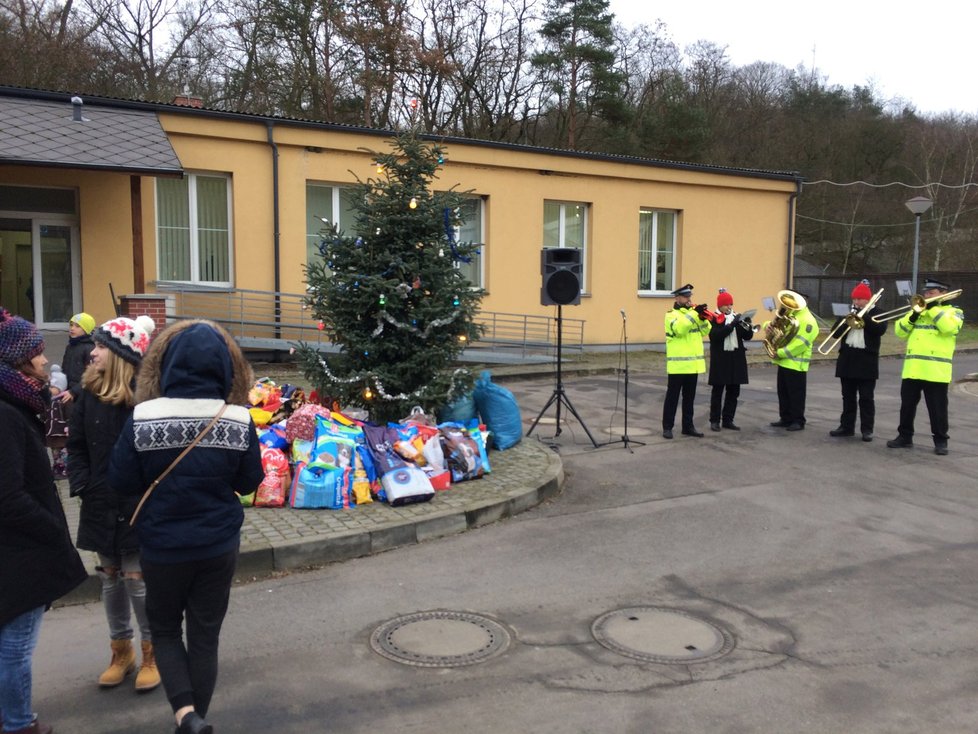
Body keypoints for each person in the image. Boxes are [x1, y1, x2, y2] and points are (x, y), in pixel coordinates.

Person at [108, 320, 263, 734]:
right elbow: (249, 483)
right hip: (217, 545)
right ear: (225, 368)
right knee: (205, 637)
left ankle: (185, 717)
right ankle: (194, 721)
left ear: (168, 365)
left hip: (162, 547)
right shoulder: (237, 418)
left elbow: (121, 481)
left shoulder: (142, 416)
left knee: (163, 628)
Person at [0, 308, 88, 734]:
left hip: (17, 548)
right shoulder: (6, 415)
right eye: (35, 351)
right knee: (15, 646)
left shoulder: (16, 404)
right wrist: (52, 527)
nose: (42, 358)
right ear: (15, 362)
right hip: (20, 553)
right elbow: (9, 497)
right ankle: (18, 724)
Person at [67, 315, 159, 692]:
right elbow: (75, 447)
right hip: (99, 500)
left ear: (121, 354)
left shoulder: (145, 400)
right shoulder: (88, 393)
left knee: (137, 580)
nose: (93, 351)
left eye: (102, 346)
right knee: (110, 579)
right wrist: (83, 484)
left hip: (136, 504)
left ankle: (152, 652)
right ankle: (121, 652)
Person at [886, 278, 964, 455]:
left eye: (931, 293)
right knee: (907, 407)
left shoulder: (954, 311)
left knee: (937, 409)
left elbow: (950, 329)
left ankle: (941, 440)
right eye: (926, 292)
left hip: (936, 370)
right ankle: (904, 437)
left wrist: (933, 309)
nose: (926, 295)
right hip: (913, 369)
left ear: (943, 293)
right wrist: (913, 315)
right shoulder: (918, 310)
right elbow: (899, 331)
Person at [827, 280, 886, 442]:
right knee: (847, 397)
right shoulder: (849, 313)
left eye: (859, 299)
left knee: (866, 398)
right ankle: (846, 427)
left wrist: (863, 315)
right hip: (848, 360)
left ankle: (867, 429)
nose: (856, 302)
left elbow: (880, 330)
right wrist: (846, 319)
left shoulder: (877, 313)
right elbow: (835, 333)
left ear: (867, 300)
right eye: (854, 299)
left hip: (867, 362)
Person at [662, 283, 711, 439]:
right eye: (685, 297)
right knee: (672, 398)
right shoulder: (671, 315)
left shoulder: (692, 314)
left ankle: (688, 426)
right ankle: (667, 427)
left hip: (693, 365)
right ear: (677, 298)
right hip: (678, 366)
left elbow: (706, 330)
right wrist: (695, 315)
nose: (689, 299)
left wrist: (703, 318)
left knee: (689, 399)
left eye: (690, 296)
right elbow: (680, 329)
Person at [764, 290, 818, 431]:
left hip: (796, 363)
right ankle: (786, 418)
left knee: (796, 394)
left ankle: (798, 420)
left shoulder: (808, 320)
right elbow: (778, 328)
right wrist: (768, 327)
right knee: (783, 392)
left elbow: (801, 344)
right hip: (784, 362)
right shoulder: (791, 315)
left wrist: (779, 353)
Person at [707, 288, 752, 431]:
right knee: (718, 391)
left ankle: (728, 419)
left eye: (731, 304)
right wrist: (731, 325)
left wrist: (748, 326)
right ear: (720, 305)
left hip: (736, 359)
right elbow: (715, 336)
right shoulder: (714, 318)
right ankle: (715, 420)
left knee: (734, 392)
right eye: (726, 305)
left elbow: (747, 337)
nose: (729, 307)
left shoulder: (736, 317)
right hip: (721, 359)